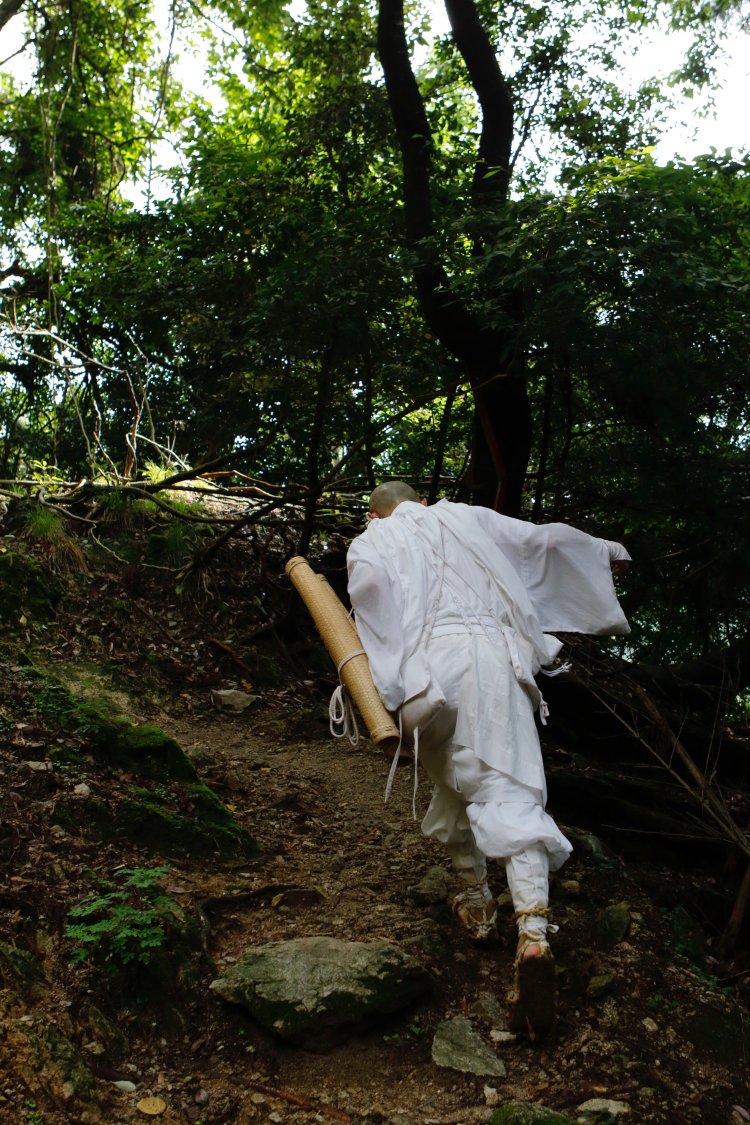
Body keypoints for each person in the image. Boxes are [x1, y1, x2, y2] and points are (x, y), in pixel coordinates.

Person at [346, 481, 631, 1035]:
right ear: (422, 502)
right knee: (507, 784)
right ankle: (532, 929)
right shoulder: (464, 516)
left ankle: (475, 900)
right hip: (491, 658)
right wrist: (605, 554)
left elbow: (371, 590)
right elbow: (539, 542)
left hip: (425, 674)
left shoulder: (370, 541)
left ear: (374, 515)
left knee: (452, 778)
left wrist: (386, 679)